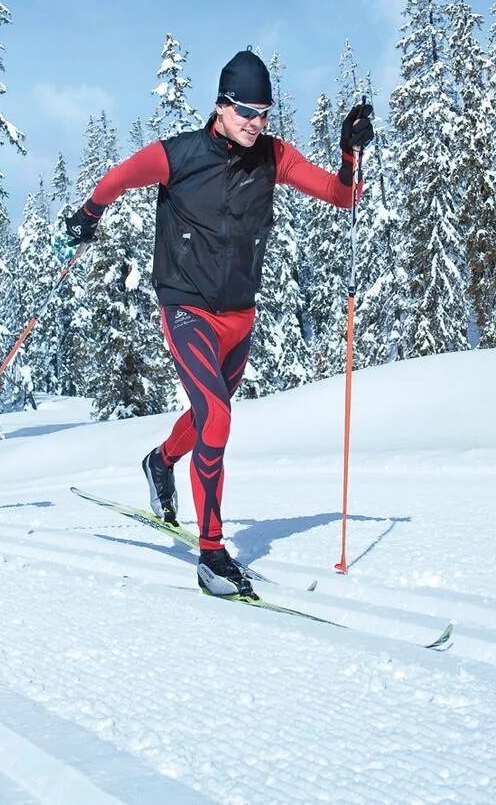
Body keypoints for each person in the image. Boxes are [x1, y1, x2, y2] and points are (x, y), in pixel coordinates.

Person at [57, 48, 374, 598]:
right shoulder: (179, 155)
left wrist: (350, 152)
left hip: (239, 314)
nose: (256, 123)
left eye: (264, 113)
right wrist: (88, 214)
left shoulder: (273, 156)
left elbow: (342, 196)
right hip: (186, 307)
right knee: (219, 418)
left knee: (210, 414)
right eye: (247, 111)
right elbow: (117, 177)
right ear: (221, 106)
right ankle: (211, 554)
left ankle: (161, 461)